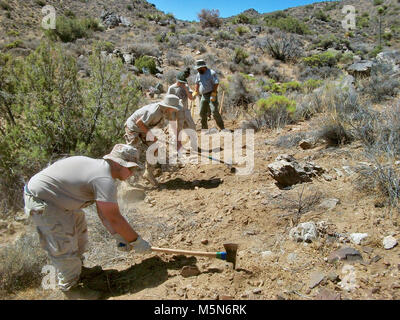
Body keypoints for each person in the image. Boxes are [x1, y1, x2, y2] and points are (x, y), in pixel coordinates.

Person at [23, 144, 152, 300]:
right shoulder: (103, 178)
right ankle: (71, 289)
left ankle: (79, 272)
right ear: (118, 164)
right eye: (130, 168)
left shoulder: (101, 170)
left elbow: (103, 212)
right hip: (44, 202)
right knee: (64, 245)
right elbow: (114, 217)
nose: (132, 172)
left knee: (79, 234)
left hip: (58, 199)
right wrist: (136, 241)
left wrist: (118, 236)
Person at [124, 94, 183, 187]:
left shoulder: (166, 112)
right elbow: (139, 122)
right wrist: (151, 135)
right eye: (175, 108)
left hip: (143, 128)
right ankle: (127, 179)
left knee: (155, 147)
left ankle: (148, 173)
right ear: (168, 107)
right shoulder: (153, 112)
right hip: (133, 128)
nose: (176, 109)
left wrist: (177, 142)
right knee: (132, 152)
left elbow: (171, 125)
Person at [193, 60, 225, 131]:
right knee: (202, 112)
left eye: (199, 68)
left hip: (211, 94)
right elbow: (197, 83)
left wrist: (213, 93)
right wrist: (196, 91)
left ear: (203, 67)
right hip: (203, 95)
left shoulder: (211, 73)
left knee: (214, 111)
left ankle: (222, 128)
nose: (198, 70)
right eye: (197, 69)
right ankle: (204, 129)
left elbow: (216, 83)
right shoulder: (198, 74)